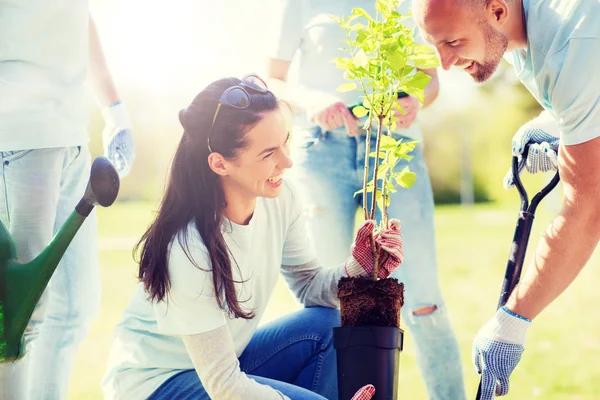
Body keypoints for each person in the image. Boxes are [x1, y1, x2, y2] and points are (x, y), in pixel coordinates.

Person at [101, 75, 403, 400]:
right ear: (220, 164)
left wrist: (358, 267)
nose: (287, 162)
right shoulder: (188, 248)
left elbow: (309, 286)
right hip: (156, 384)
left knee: (328, 324)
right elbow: (225, 386)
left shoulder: (281, 198)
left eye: (286, 141)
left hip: (224, 365)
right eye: (268, 153)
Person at [263, 1, 467, 399]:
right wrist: (312, 102)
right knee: (327, 303)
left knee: (423, 301)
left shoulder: (411, 5)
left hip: (395, 151)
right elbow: (272, 80)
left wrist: (415, 99)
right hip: (322, 152)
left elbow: (430, 79)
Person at [411, 0, 600, 397]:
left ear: (496, 11)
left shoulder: (574, 39)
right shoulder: (516, 38)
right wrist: (553, 121)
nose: (444, 64)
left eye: (453, 42)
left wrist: (513, 321)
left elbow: (588, 210)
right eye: (435, 45)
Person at [0, 5, 135, 399]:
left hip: (70, 136)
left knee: (74, 306)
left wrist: (115, 109)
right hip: (18, 136)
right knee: (17, 319)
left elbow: (78, 17)